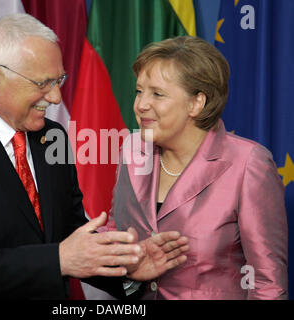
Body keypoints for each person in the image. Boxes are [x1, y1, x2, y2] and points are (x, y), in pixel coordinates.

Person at [0, 14, 189, 300]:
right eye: (43, 83)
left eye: (59, 81)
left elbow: (70, 233)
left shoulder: (51, 137)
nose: (55, 97)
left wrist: (128, 266)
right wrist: (58, 259)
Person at [104, 36, 288, 299]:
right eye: (139, 91)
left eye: (157, 94)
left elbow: (268, 285)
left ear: (196, 103)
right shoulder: (132, 151)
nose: (141, 104)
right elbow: (117, 235)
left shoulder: (248, 164)